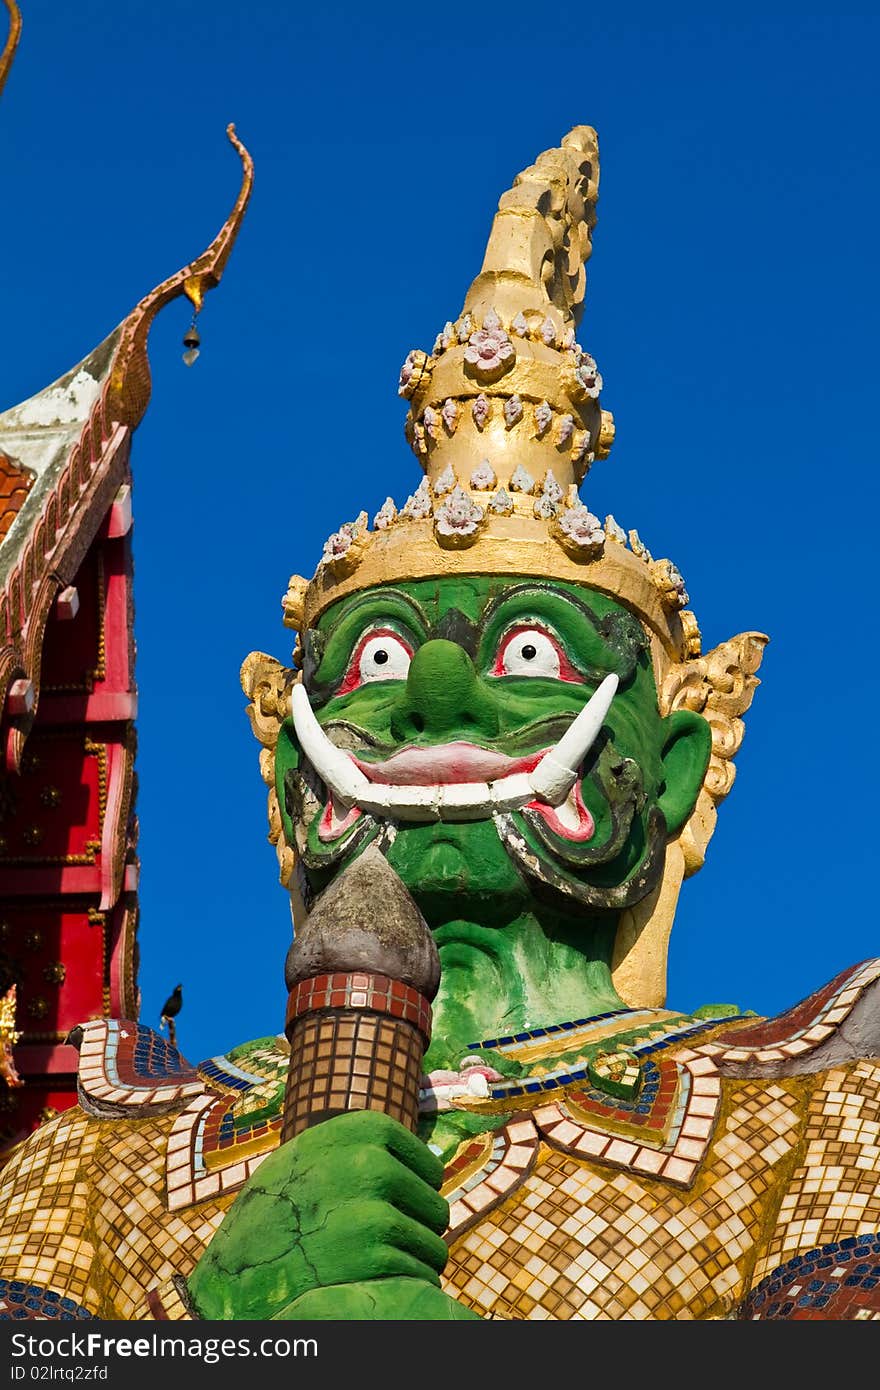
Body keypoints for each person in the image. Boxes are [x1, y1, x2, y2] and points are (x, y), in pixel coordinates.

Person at [1, 127, 878, 1323]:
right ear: (280, 766)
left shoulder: (811, 1115)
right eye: (374, 659)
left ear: (671, 769)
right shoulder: (92, 1168)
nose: (437, 698)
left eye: (531, 652)